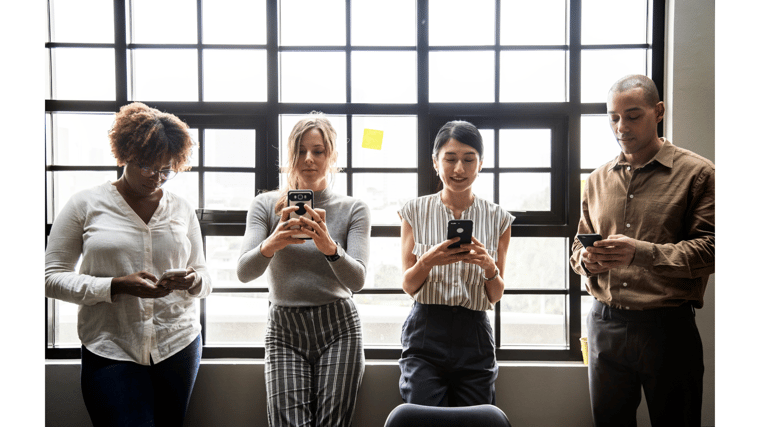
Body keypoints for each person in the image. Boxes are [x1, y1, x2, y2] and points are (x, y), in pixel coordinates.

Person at [45, 102, 211, 427]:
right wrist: (115, 285)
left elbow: (204, 276)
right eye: (148, 167)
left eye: (166, 170)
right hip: (110, 346)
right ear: (124, 155)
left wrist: (191, 280)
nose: (157, 178)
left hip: (178, 343)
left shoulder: (181, 208)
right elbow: (50, 277)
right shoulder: (85, 204)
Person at [570, 74, 715, 427]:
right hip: (604, 323)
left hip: (667, 328)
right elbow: (578, 244)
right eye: (613, 117)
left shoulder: (699, 173)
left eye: (633, 116)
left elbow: (711, 250)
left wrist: (642, 253)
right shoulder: (597, 179)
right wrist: (585, 260)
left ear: (659, 111)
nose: (621, 127)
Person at [237, 113, 371, 427]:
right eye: (300, 151)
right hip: (284, 326)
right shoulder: (265, 205)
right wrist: (273, 242)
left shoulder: (354, 209)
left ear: (332, 156)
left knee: (331, 423)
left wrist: (330, 248)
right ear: (290, 155)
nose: (308, 159)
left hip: (339, 325)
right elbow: (244, 272)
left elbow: (359, 280)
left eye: (318, 151)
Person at [398, 120, 514, 407]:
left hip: (474, 332)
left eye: (468, 159)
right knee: (422, 417)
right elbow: (409, 286)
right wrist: (427, 261)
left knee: (476, 418)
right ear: (436, 163)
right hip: (425, 328)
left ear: (481, 164)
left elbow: (495, 295)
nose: (459, 169)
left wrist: (489, 268)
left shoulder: (499, 217)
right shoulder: (413, 210)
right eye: (450, 159)